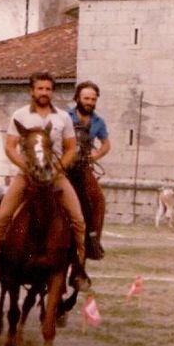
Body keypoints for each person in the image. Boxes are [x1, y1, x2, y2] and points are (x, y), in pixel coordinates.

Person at [0, 72, 90, 290]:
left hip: (56, 176)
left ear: (52, 92)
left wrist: (58, 168)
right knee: (2, 217)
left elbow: (70, 148)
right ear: (32, 91)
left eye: (48, 89)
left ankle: (78, 269)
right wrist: (25, 166)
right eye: (40, 89)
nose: (44, 93)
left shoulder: (63, 118)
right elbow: (10, 146)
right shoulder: (20, 116)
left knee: (78, 219)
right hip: (27, 175)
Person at [67, 80, 111, 259]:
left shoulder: (99, 121)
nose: (90, 102)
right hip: (62, 166)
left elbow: (106, 144)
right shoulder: (65, 116)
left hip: (83, 167)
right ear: (77, 98)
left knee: (98, 199)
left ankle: (93, 240)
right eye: (86, 98)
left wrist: (96, 155)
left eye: (93, 99)